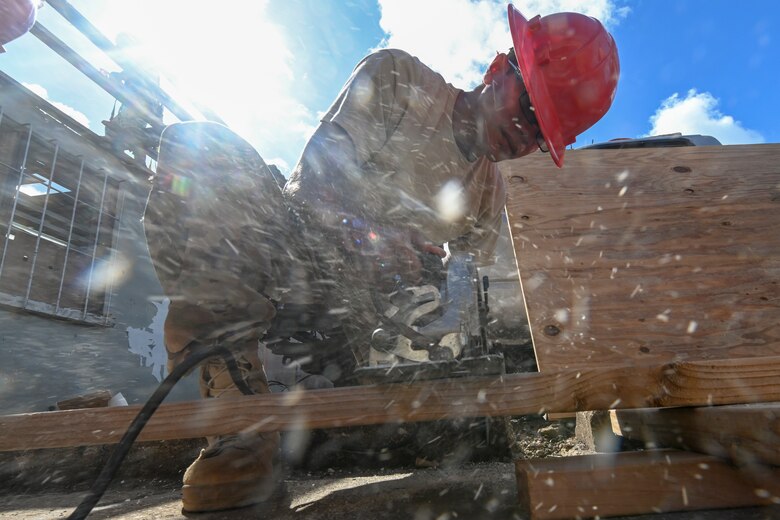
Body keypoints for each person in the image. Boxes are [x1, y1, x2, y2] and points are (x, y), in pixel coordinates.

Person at [144, 4, 620, 513]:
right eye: (527, 109)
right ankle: (238, 433)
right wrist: (372, 236)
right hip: (295, 261)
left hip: (366, 324)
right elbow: (314, 182)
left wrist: (437, 317)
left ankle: (325, 401)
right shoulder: (400, 80)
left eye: (540, 136)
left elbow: (461, 308)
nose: (524, 135)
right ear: (499, 71)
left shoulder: (489, 193)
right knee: (204, 149)